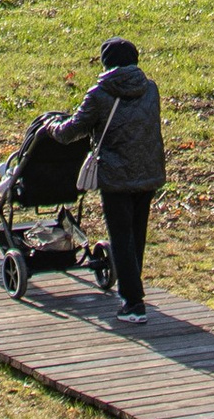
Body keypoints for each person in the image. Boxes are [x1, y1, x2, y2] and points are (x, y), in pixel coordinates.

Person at [70, 35, 166, 318]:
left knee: (121, 237)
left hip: (115, 175)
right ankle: (134, 286)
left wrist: (52, 128)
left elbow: (74, 129)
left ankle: (133, 302)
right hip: (147, 172)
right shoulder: (151, 90)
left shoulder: (99, 94)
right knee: (136, 235)